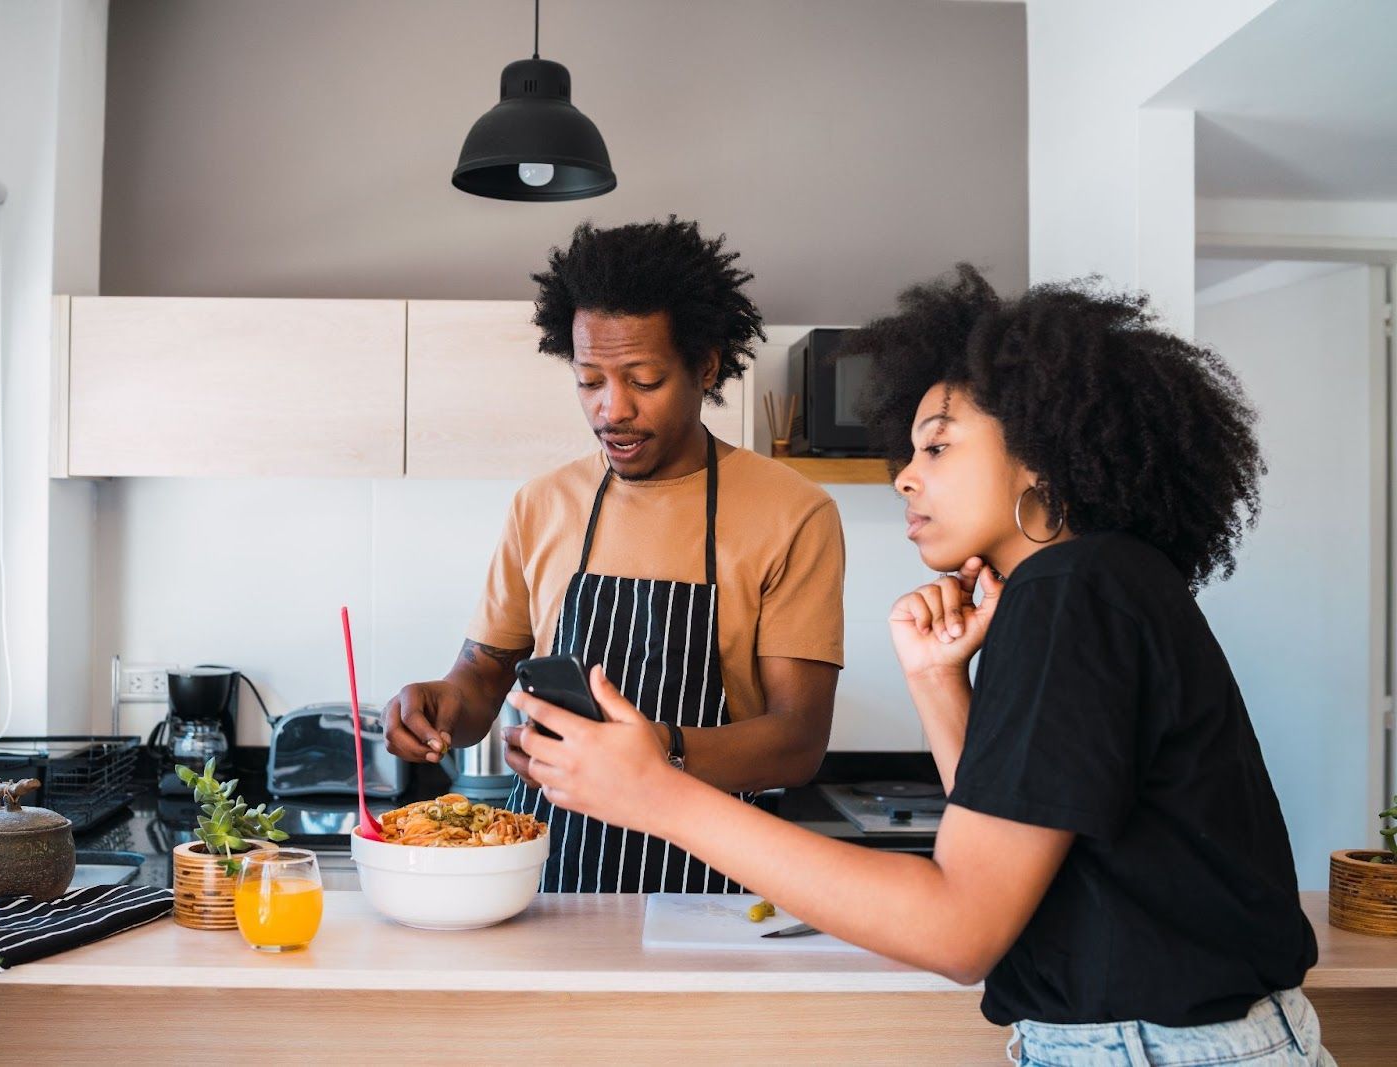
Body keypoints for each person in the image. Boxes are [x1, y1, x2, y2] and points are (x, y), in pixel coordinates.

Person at [512, 265, 1331, 1064]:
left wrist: (659, 793)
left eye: (937, 447)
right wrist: (939, 680)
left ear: (1041, 454)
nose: (905, 474)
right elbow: (991, 858)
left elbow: (959, 929)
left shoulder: (1072, 590)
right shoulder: (1087, 583)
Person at [383, 217, 845, 893]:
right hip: (549, 884)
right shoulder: (542, 504)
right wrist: (438, 704)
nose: (611, 409)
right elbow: (481, 681)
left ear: (706, 366)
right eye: (590, 379)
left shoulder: (791, 512)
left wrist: (654, 752)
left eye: (644, 379)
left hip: (708, 887)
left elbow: (798, 740)